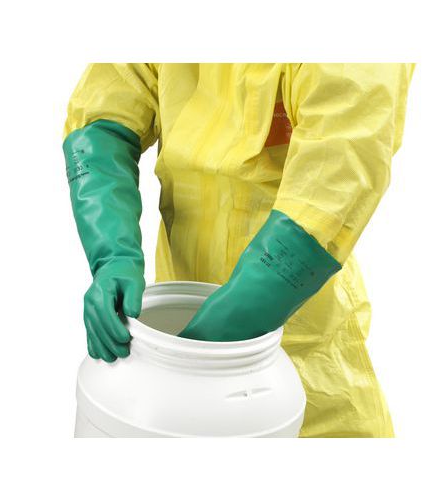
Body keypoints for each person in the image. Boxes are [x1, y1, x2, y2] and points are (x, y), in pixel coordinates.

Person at [63, 63, 414, 437]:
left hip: (299, 354)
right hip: (172, 319)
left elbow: (334, 181)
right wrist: (112, 254)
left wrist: (206, 353)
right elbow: (104, 119)